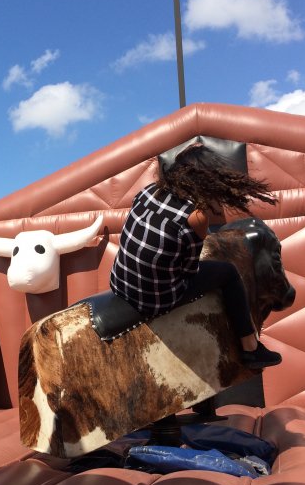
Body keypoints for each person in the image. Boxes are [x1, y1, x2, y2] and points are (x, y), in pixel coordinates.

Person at [110, 143, 282, 370]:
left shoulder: (148, 191)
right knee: (229, 274)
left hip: (119, 283)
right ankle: (251, 348)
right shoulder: (196, 217)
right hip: (156, 300)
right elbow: (190, 271)